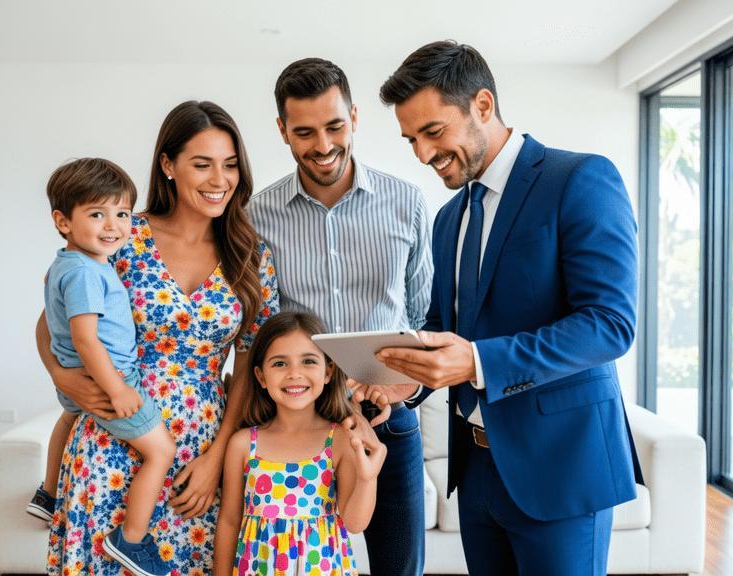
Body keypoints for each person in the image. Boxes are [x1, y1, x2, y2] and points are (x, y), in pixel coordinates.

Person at [363, 41, 644, 575]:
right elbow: (444, 329)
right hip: (476, 471)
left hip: (560, 469)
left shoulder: (579, 179)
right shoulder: (448, 218)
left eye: (433, 132)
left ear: (483, 106)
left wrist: (478, 362)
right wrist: (405, 379)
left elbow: (610, 324)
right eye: (411, 140)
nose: (422, 154)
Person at [37, 101, 280, 575]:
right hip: (112, 432)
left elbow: (252, 364)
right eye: (202, 164)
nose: (219, 179)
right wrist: (62, 376)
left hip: (199, 449)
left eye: (230, 165)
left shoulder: (251, 254)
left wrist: (217, 458)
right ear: (168, 165)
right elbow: (52, 320)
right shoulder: (122, 233)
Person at [246, 57, 432, 576]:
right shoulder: (256, 216)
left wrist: (402, 389)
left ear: (354, 116)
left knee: (400, 569)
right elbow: (258, 329)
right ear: (282, 131)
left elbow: (423, 314)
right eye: (304, 132)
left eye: (334, 126)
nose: (323, 145)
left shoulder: (407, 203)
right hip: (298, 425)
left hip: (387, 421)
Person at [30, 157, 176, 576]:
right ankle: (131, 539)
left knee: (68, 415)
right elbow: (86, 339)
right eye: (97, 214)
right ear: (63, 221)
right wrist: (117, 389)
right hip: (107, 379)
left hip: (79, 382)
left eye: (122, 214)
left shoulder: (70, 263)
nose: (113, 225)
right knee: (162, 451)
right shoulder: (87, 274)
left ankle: (48, 493)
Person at [213, 311, 386, 576]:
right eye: (280, 364)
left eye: (308, 361)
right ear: (261, 376)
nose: (295, 374)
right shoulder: (243, 444)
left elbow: (354, 523)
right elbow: (228, 521)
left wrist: (368, 477)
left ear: (328, 371)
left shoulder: (339, 440)